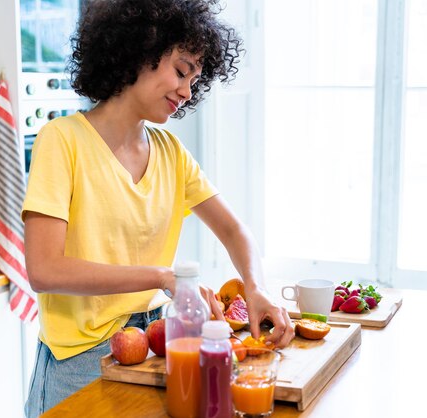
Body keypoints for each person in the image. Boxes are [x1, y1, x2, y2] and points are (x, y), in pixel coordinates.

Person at [21, 0, 295, 416]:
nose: (187, 92)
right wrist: (164, 278)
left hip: (156, 344)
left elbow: (235, 231)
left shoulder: (170, 152)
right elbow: (44, 270)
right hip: (78, 361)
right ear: (139, 50)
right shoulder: (62, 141)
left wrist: (254, 288)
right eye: (182, 71)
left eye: (195, 80)